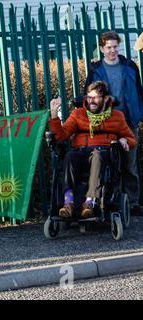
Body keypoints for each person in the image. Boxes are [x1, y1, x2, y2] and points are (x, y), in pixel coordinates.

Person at [49, 81, 136, 218]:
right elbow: (61, 135)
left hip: (103, 154)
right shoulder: (78, 114)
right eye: (89, 97)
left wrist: (124, 140)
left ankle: (89, 202)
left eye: (95, 98)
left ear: (106, 98)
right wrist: (54, 115)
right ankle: (69, 203)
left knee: (97, 155)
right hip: (80, 152)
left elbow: (132, 140)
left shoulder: (117, 116)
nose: (91, 101)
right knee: (69, 156)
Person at [83, 31, 143, 216]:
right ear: (102, 49)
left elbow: (138, 91)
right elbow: (89, 96)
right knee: (110, 163)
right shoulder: (95, 70)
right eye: (108, 47)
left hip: (128, 120)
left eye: (115, 46)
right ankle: (113, 201)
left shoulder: (130, 65)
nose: (112, 51)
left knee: (129, 164)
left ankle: (132, 203)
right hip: (106, 123)